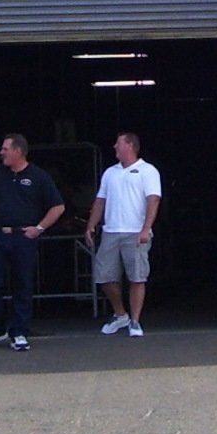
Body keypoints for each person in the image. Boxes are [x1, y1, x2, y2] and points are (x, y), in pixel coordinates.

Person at [0, 134, 64, 351]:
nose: (1, 152)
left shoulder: (38, 176)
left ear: (18, 151)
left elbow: (58, 206)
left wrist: (39, 229)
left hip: (23, 237)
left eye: (5, 149)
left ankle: (19, 331)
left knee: (22, 284)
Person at [83, 132, 162, 337]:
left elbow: (153, 200)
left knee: (137, 277)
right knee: (104, 276)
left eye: (118, 143)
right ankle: (121, 314)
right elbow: (100, 201)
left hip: (135, 231)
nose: (114, 147)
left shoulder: (148, 171)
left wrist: (146, 228)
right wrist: (91, 225)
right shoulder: (110, 172)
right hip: (111, 231)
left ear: (129, 145)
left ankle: (135, 321)